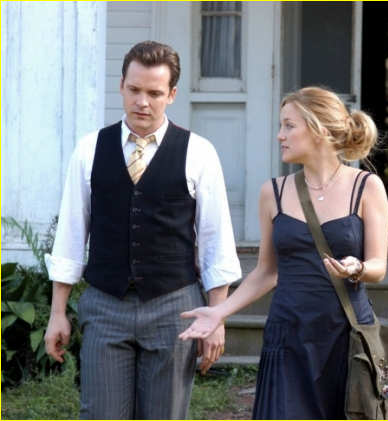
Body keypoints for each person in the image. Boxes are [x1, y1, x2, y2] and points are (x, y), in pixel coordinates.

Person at [43, 41, 242, 420]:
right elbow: (70, 236)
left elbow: (216, 243)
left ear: (172, 95)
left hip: (175, 307)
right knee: (100, 414)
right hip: (105, 304)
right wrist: (58, 312)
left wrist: (216, 317)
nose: (142, 102)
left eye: (154, 93)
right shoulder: (89, 149)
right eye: (134, 89)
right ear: (121, 85)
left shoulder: (199, 152)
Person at [178, 86, 388, 419]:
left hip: (347, 333)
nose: (280, 135)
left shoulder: (367, 187)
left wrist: (357, 268)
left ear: (318, 130)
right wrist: (219, 311)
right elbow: (266, 271)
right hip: (289, 333)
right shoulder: (272, 192)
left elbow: (379, 266)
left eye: (289, 126)